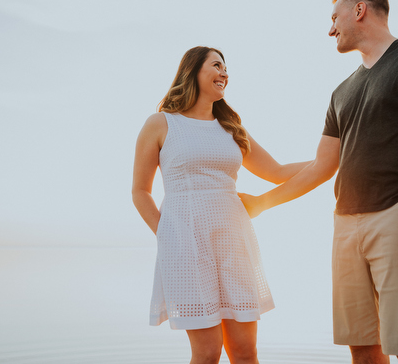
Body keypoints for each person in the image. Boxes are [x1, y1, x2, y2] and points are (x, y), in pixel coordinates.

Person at [239, 0, 398, 364]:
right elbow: (322, 166)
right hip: (345, 226)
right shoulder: (342, 91)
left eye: (334, 18)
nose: (330, 29)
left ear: (359, 11)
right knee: (363, 349)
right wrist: (262, 202)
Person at [132, 46, 308, 364]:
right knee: (208, 352)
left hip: (235, 244)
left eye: (226, 68)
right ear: (193, 71)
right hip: (185, 248)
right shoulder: (160, 123)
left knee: (244, 352)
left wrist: (332, 159)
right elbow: (140, 191)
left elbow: (278, 172)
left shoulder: (230, 128)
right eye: (216, 65)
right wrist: (167, 234)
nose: (224, 73)